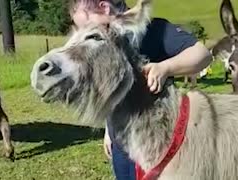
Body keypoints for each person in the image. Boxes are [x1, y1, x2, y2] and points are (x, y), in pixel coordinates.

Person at [69, 0, 212, 179]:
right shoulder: (104, 46)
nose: (85, 34)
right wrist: (108, 130)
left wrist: (165, 68)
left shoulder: (155, 30)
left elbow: (202, 55)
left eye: (87, 26)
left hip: (158, 143)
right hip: (121, 143)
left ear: (105, 7)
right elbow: (111, 91)